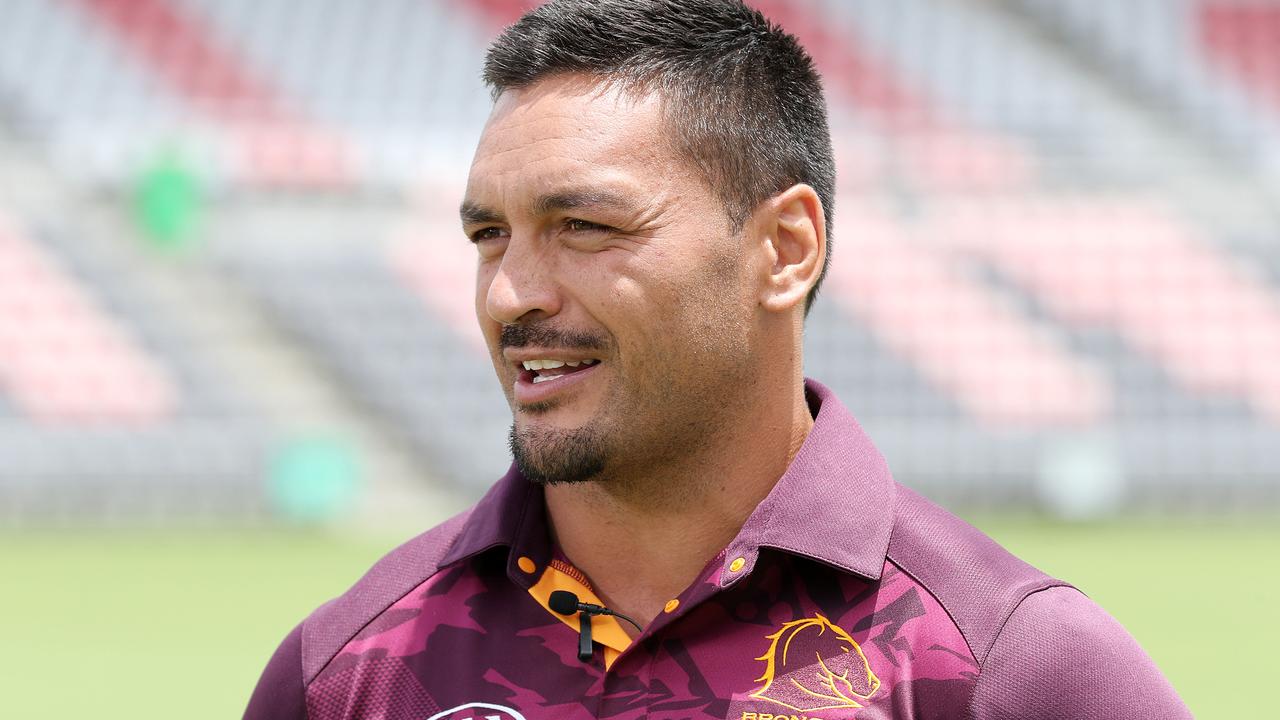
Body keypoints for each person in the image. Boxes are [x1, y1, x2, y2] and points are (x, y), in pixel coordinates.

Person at [245, 1, 1191, 718]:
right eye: (490, 235)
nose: (509, 294)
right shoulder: (346, 672)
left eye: (583, 226)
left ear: (784, 249)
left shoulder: (1016, 668)